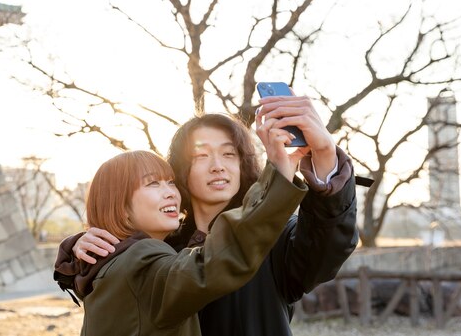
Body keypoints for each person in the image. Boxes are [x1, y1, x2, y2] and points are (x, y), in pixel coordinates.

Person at [61, 94, 358, 336]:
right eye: (201, 156)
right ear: (180, 172)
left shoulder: (274, 236)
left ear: (243, 164)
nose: (218, 165)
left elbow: (328, 244)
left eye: (229, 154)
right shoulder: (160, 244)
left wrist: (325, 158)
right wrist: (81, 248)